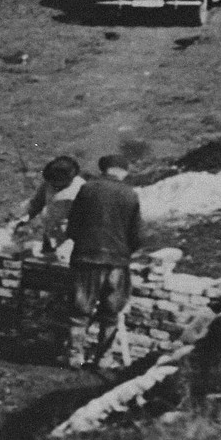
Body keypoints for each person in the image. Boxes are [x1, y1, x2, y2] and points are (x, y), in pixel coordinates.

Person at [63, 154, 145, 370]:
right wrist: (124, 252)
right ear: (123, 171)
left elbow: (72, 227)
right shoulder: (130, 194)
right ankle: (104, 358)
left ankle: (75, 357)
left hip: (86, 258)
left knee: (79, 312)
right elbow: (137, 236)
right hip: (117, 262)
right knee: (111, 314)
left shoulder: (87, 189)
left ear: (104, 169)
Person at [17, 155, 83, 259]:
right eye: (52, 182)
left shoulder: (81, 188)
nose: (53, 185)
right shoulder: (48, 184)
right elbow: (36, 204)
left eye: (57, 183)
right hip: (50, 232)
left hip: (70, 237)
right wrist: (22, 219)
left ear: (70, 178)